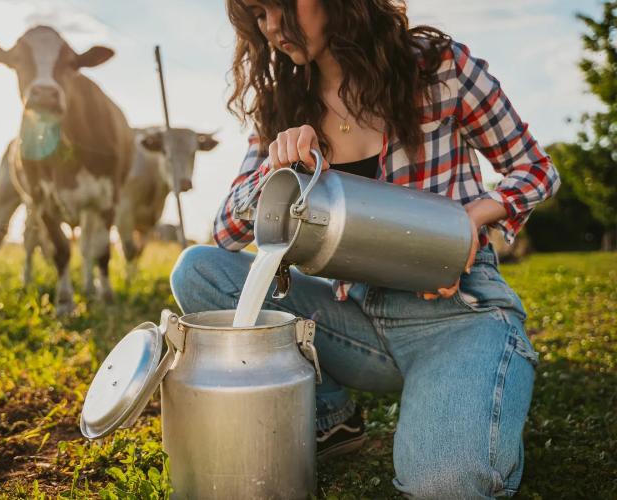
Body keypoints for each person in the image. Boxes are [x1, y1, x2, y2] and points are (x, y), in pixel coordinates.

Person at [170, 0, 561, 497]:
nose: (271, 26)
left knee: (448, 484)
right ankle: (332, 416)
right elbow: (226, 233)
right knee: (198, 271)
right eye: (258, 14)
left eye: (282, 5)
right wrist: (276, 167)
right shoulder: (285, 103)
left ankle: (475, 392)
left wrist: (471, 218)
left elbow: (535, 169)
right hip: (351, 318)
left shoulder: (437, 68)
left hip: (455, 314)